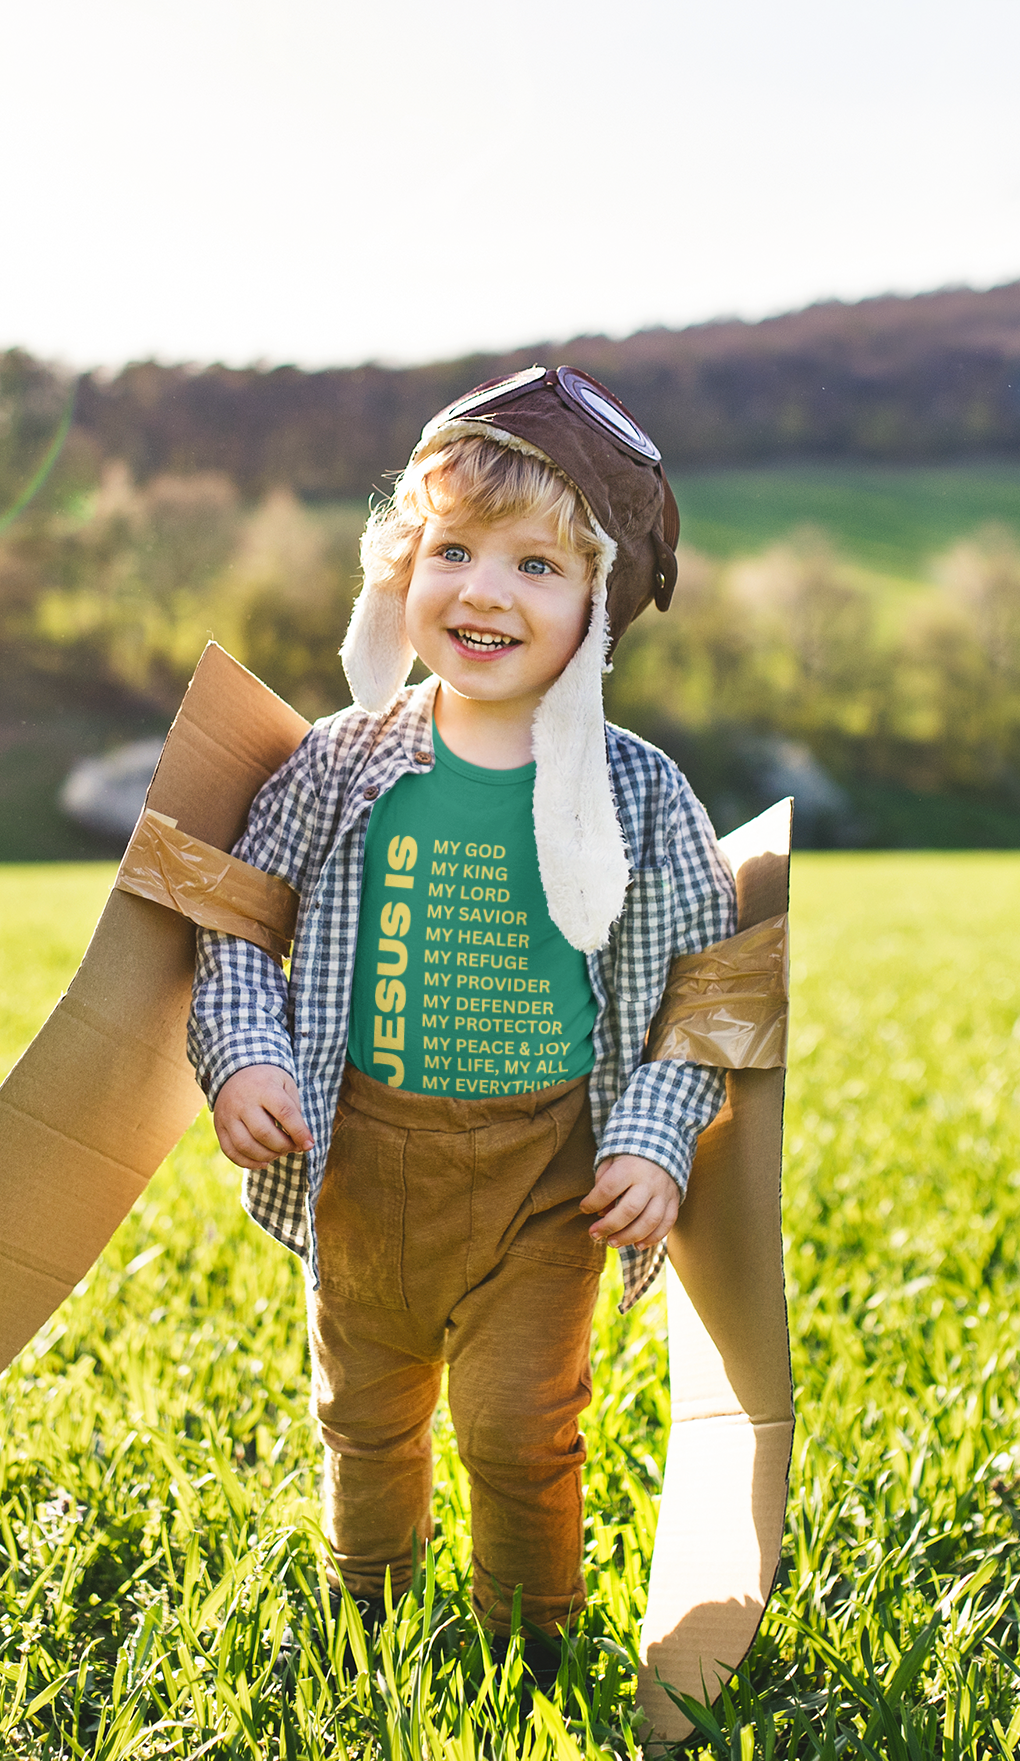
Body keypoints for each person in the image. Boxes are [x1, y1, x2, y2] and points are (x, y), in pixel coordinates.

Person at [186, 366, 736, 1675]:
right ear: (402, 566)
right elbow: (237, 926)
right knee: (365, 1414)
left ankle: (528, 1647)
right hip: (364, 1160)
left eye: (539, 565)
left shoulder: (638, 794)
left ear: (598, 605)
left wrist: (654, 1140)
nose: (485, 591)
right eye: (456, 551)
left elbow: (706, 992)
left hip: (546, 1180)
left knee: (518, 1426)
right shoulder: (341, 760)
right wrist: (246, 1054)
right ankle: (365, 1619)